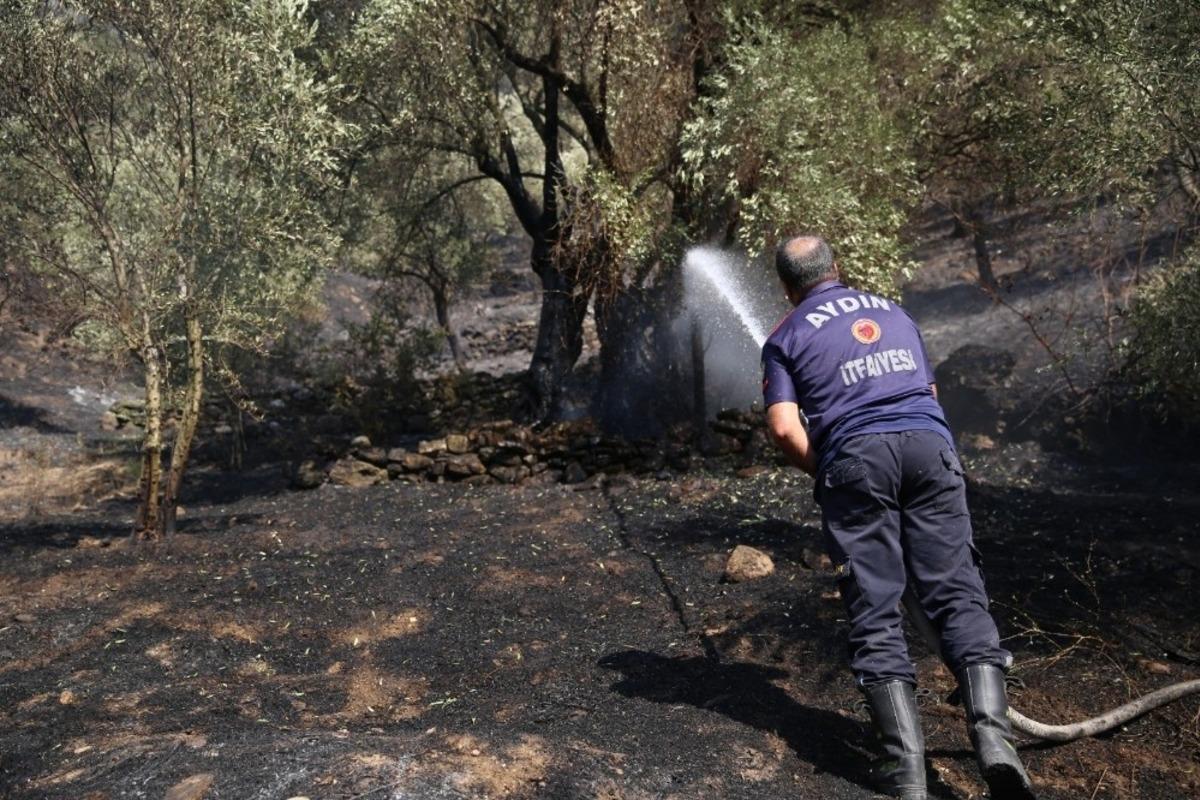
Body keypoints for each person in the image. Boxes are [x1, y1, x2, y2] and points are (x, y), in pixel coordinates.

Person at [760, 235, 1036, 800]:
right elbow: (928, 392)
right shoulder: (894, 311)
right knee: (959, 590)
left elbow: (786, 428)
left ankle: (906, 771)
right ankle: (996, 746)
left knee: (875, 603)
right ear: (838, 268)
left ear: (787, 288)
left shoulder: (785, 335)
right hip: (930, 447)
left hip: (857, 459)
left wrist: (830, 468)